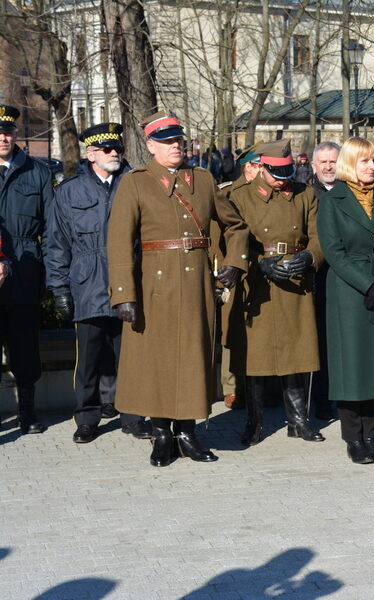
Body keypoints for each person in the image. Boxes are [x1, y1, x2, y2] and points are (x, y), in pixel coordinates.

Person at [106, 112, 248, 467]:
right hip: (154, 286)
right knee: (157, 361)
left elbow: (236, 226)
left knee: (193, 358)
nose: (176, 147)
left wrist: (235, 261)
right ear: (151, 146)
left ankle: (187, 431)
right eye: (167, 142)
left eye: (179, 140)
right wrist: (124, 294)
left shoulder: (202, 178)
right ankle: (162, 434)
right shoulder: (135, 183)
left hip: (198, 284)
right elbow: (119, 242)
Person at [44, 122, 152, 443]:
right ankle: (87, 418)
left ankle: (133, 416)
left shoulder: (134, 185)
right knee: (88, 360)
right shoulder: (69, 191)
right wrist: (59, 288)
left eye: (118, 147)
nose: (115, 153)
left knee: (129, 356)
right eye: (107, 149)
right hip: (87, 283)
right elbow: (56, 244)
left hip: (128, 284)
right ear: (91, 154)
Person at [229, 140, 324, 446]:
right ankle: (254, 422)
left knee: (298, 352)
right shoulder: (239, 196)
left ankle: (299, 421)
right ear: (260, 167)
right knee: (256, 357)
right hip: (259, 284)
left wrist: (310, 257)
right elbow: (232, 240)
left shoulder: (305, 193)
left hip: (296, 282)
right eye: (275, 172)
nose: (282, 179)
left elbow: (319, 236)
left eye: (287, 171)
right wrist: (258, 262)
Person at [316, 137, 374, 464]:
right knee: (353, 367)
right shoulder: (333, 200)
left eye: (373, 161)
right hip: (349, 293)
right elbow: (334, 252)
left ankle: (371, 435)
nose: (372, 166)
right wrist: (368, 284)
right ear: (349, 164)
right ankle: (353, 438)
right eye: (365, 161)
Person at [0, 104, 53, 435]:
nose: (2, 137)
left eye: (7, 131)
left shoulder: (37, 172)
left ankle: (27, 411)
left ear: (16, 134)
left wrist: (48, 275)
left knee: (25, 347)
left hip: (25, 270)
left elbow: (52, 229)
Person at [214, 144, 263, 410]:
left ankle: (259, 385)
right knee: (232, 327)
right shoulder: (228, 193)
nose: (263, 169)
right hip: (234, 267)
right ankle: (231, 387)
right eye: (259, 165)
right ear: (249, 167)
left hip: (260, 266)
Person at [307, 141, 341, 421]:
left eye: (333, 161)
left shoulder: (349, 192)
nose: (329, 167)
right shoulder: (308, 195)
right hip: (319, 277)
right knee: (321, 341)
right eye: (324, 162)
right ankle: (321, 400)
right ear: (314, 166)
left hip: (346, 278)